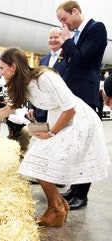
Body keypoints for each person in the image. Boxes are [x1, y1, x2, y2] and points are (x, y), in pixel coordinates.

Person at [0, 47, 110, 227]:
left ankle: (56, 209)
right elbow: (4, 111)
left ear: (13, 67)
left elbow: (70, 109)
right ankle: (59, 206)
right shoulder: (22, 85)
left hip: (78, 121)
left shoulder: (45, 77)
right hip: (61, 120)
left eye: (1, 68)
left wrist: (51, 132)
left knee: (36, 160)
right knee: (36, 161)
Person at [56, 0, 107, 210]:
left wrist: (67, 41)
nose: (63, 25)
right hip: (72, 97)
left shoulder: (97, 29)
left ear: (75, 11)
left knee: (85, 147)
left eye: (64, 19)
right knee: (73, 146)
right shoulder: (76, 34)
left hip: (85, 95)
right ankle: (75, 189)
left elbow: (81, 60)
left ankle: (82, 194)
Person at [28, 27, 68, 123]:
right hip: (42, 111)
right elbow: (36, 83)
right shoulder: (43, 60)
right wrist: (31, 106)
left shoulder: (68, 58)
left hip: (59, 109)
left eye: (56, 37)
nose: (53, 40)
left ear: (62, 38)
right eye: (50, 37)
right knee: (43, 137)